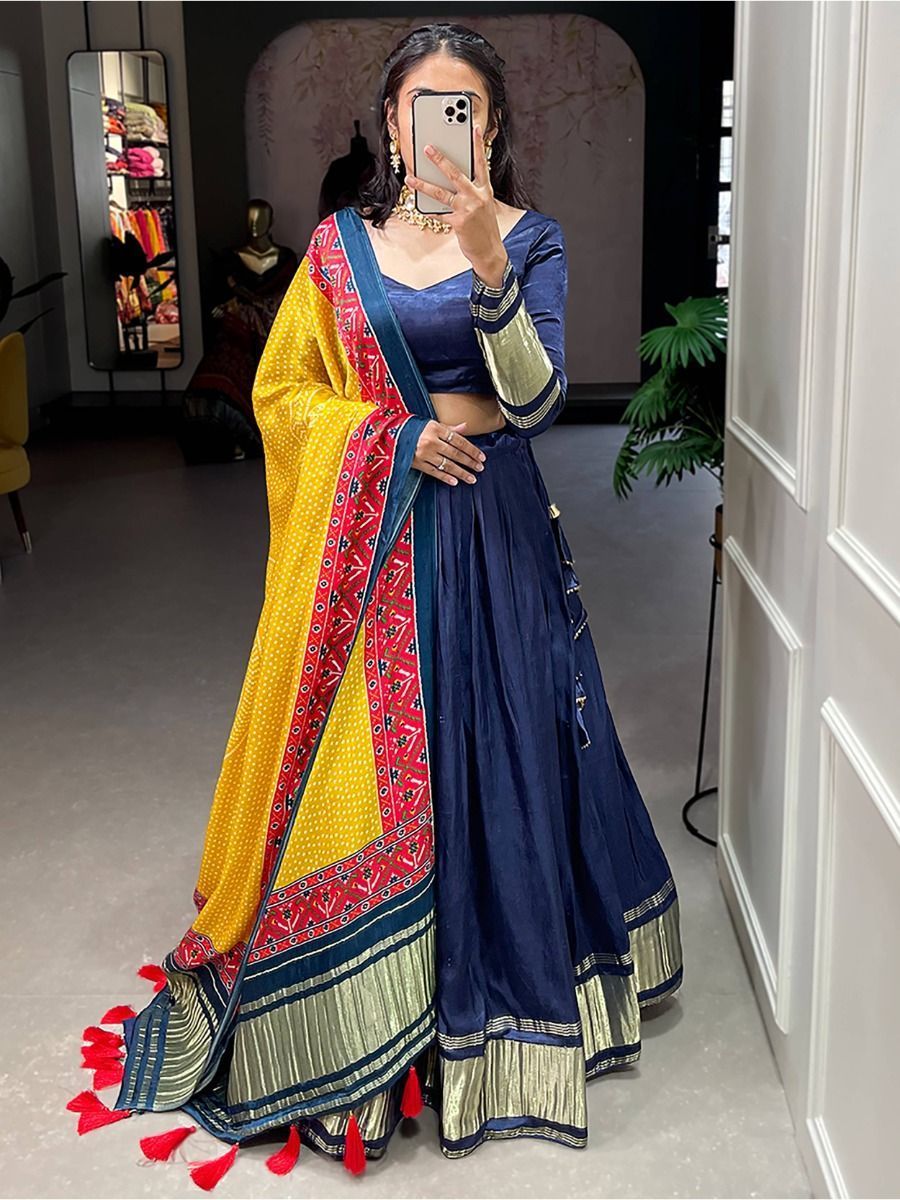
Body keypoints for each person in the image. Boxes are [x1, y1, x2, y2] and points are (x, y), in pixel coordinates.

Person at [68, 22, 683, 1187]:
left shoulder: (529, 239)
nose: (444, 126)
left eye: (468, 108)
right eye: (423, 106)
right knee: (377, 773)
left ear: (492, 125)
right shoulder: (337, 248)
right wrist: (394, 439)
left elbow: (537, 402)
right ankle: (373, 1019)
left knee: (501, 748)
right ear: (393, 123)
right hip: (373, 548)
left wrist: (488, 263)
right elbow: (285, 390)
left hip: (493, 537)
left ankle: (491, 1006)